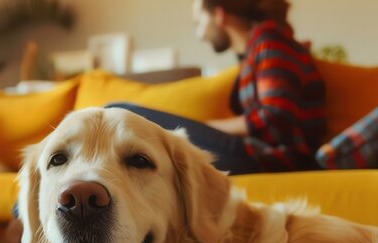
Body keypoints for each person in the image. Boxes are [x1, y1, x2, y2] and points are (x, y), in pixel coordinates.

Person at [109, 0, 325, 174]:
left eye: (199, 22)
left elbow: (273, 114)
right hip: (258, 154)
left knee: (118, 112)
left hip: (270, 158)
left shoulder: (270, 41)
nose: (200, 34)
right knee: (118, 115)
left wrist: (207, 126)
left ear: (219, 15)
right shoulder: (258, 49)